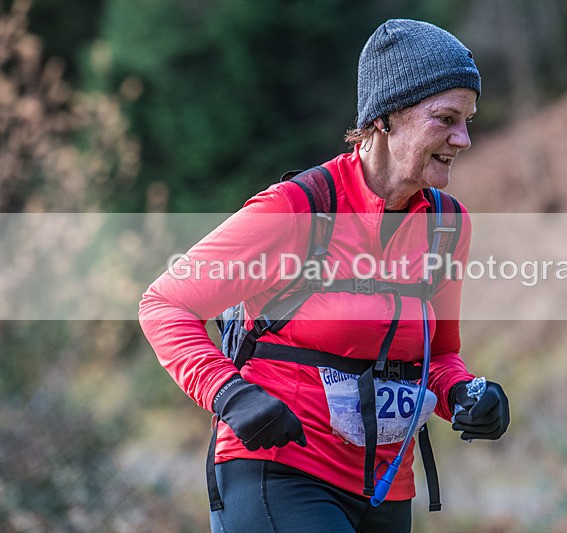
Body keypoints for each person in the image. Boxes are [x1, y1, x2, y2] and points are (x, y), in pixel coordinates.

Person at [139, 18, 510, 533]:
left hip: (385, 489)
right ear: (385, 118)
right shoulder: (298, 210)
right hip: (280, 470)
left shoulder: (446, 227)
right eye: (446, 118)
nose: (463, 139)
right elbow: (164, 304)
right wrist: (229, 393)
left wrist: (466, 394)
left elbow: (437, 356)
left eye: (468, 120)